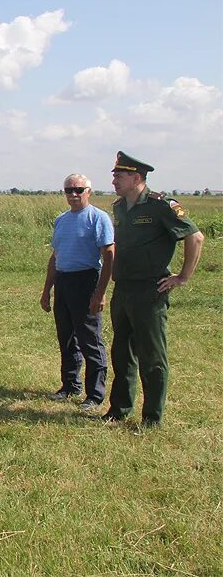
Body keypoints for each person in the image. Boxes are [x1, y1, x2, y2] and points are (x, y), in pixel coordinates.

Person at [103, 152, 204, 427]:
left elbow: (195, 236)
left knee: (152, 356)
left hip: (150, 291)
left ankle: (152, 418)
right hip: (122, 288)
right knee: (122, 352)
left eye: (119, 176)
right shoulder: (120, 206)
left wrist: (183, 277)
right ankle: (119, 409)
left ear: (136, 177)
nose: (114, 181)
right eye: (114, 176)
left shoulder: (164, 206)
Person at [40, 174, 113, 412]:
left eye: (78, 190)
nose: (73, 194)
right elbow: (55, 257)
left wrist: (100, 292)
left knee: (89, 339)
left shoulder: (98, 218)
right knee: (66, 337)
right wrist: (47, 290)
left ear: (89, 191)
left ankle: (95, 394)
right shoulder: (61, 220)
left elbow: (109, 256)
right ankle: (70, 385)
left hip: (86, 279)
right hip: (63, 279)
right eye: (69, 190)